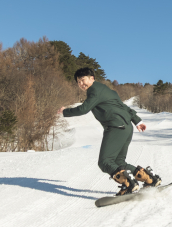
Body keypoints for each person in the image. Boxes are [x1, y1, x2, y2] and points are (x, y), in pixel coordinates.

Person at [58, 67, 161, 196]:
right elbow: (123, 106)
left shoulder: (94, 90)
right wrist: (137, 121)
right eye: (78, 82)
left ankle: (129, 184)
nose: (81, 84)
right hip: (126, 127)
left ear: (92, 78)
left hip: (115, 127)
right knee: (118, 163)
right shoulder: (107, 91)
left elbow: (84, 109)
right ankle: (149, 179)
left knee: (105, 162)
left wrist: (65, 111)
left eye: (83, 80)